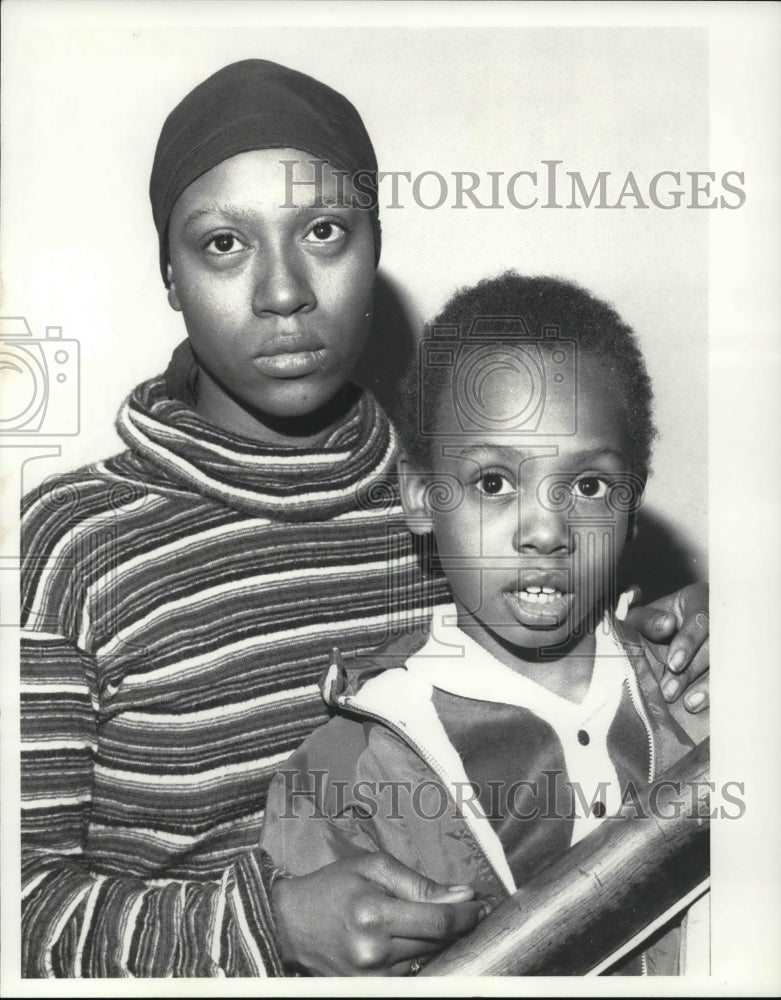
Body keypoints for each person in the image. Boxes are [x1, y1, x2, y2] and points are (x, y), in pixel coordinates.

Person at [20, 61, 709, 978]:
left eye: (323, 231)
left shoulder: (474, 489)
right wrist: (267, 929)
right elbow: (19, 905)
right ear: (170, 278)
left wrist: (695, 647)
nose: (281, 292)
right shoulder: (71, 542)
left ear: (375, 248)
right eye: (224, 244)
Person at [260, 273, 709, 975]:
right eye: (493, 483)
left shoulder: (693, 685)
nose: (543, 530)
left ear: (629, 503)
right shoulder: (350, 769)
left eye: (587, 487)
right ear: (419, 498)